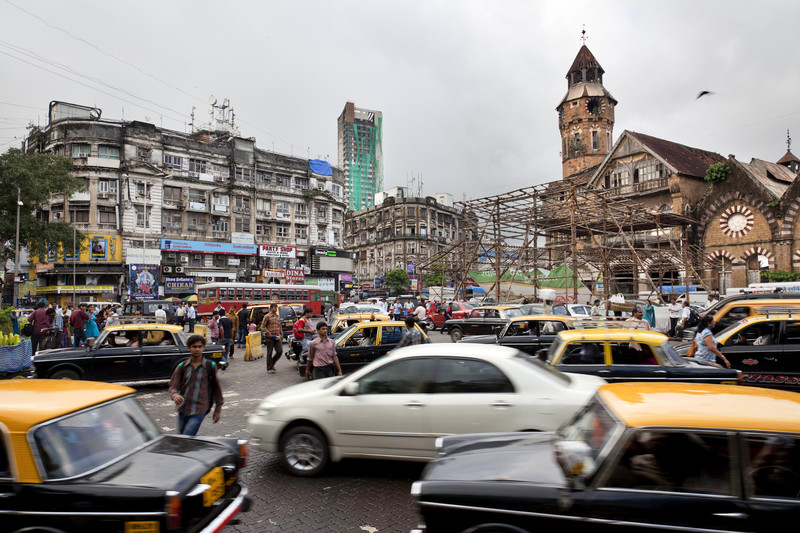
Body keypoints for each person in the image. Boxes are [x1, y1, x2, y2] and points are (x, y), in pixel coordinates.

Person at [168, 334, 223, 435]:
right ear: (189, 348)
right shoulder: (182, 366)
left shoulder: (210, 366)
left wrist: (218, 409)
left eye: (199, 346)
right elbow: (173, 386)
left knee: (187, 436)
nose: (197, 349)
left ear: (203, 348)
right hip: (183, 408)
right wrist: (175, 395)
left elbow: (217, 389)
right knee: (181, 437)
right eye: (194, 346)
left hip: (200, 409)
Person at [262, 303, 284, 374]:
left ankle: (272, 363)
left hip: (277, 337)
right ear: (271, 308)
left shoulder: (277, 317)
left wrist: (281, 335)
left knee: (280, 351)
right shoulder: (267, 316)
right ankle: (269, 368)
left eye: (276, 307)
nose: (275, 309)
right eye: (274, 307)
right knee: (269, 353)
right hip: (269, 338)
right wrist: (268, 333)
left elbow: (279, 326)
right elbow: (263, 327)